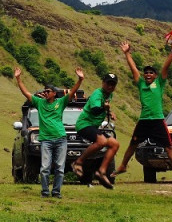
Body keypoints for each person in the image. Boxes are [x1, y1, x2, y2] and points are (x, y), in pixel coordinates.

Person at [114, 40, 172, 183]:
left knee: (169, 147)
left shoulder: (159, 83)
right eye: (146, 72)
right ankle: (123, 166)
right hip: (144, 121)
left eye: (151, 73)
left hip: (158, 121)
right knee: (133, 144)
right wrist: (127, 53)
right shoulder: (141, 83)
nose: (148, 74)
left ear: (155, 75)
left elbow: (166, 67)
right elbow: (133, 69)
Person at [15, 65, 85, 198]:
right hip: (46, 140)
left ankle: (56, 192)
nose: (46, 93)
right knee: (45, 168)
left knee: (59, 167)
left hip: (60, 139)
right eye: (45, 91)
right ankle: (45, 192)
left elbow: (72, 92)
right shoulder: (39, 103)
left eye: (48, 91)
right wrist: (18, 79)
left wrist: (80, 79)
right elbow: (26, 93)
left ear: (54, 93)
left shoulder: (61, 102)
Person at [70, 73, 120, 189]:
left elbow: (104, 107)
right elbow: (95, 109)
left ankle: (101, 171)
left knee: (114, 144)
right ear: (103, 83)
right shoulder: (97, 93)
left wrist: (109, 112)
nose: (110, 86)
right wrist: (105, 108)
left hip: (94, 126)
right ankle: (78, 162)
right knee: (102, 141)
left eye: (113, 84)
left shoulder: (109, 95)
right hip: (84, 124)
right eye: (108, 83)